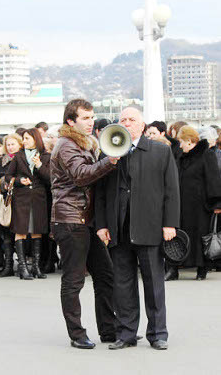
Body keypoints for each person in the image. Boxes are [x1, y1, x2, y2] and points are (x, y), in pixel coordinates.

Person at [95, 107, 180, 351]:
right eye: (123, 120)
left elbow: (171, 190)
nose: (127, 123)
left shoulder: (161, 151)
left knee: (154, 284)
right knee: (123, 285)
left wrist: (169, 223)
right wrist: (102, 225)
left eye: (132, 120)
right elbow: (100, 193)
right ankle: (126, 333)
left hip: (150, 228)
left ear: (142, 125)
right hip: (119, 229)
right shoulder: (109, 152)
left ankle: (158, 333)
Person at [50, 99, 118, 349]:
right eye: (85, 118)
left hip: (84, 219)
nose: (91, 122)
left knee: (105, 275)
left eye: (92, 117)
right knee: (74, 280)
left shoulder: (84, 143)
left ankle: (109, 331)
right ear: (71, 120)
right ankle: (77, 334)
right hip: (69, 220)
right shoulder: (66, 145)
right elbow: (80, 175)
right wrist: (109, 161)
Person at [164, 126, 221, 281]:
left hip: (199, 206)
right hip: (180, 204)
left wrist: (216, 203)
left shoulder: (206, 155)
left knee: (199, 237)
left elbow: (213, 179)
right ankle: (173, 268)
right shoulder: (180, 155)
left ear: (189, 140)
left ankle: (202, 268)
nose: (180, 145)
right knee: (178, 237)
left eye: (181, 141)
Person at [5, 128, 51, 280]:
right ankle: (23, 267)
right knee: (21, 230)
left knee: (37, 230)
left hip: (38, 198)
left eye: (27, 138)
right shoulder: (18, 156)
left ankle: (36, 267)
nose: (23, 141)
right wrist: (19, 181)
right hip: (21, 198)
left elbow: (50, 178)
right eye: (23, 138)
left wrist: (39, 166)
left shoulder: (45, 156)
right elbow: (8, 176)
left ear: (35, 139)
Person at [0, 133, 23, 277]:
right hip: (6, 201)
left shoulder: (23, 158)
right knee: (6, 234)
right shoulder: (0, 161)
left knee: (21, 233)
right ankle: (8, 265)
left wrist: (8, 181)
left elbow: (24, 178)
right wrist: (5, 182)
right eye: (8, 144)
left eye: (12, 144)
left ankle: (23, 265)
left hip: (21, 200)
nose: (10, 147)